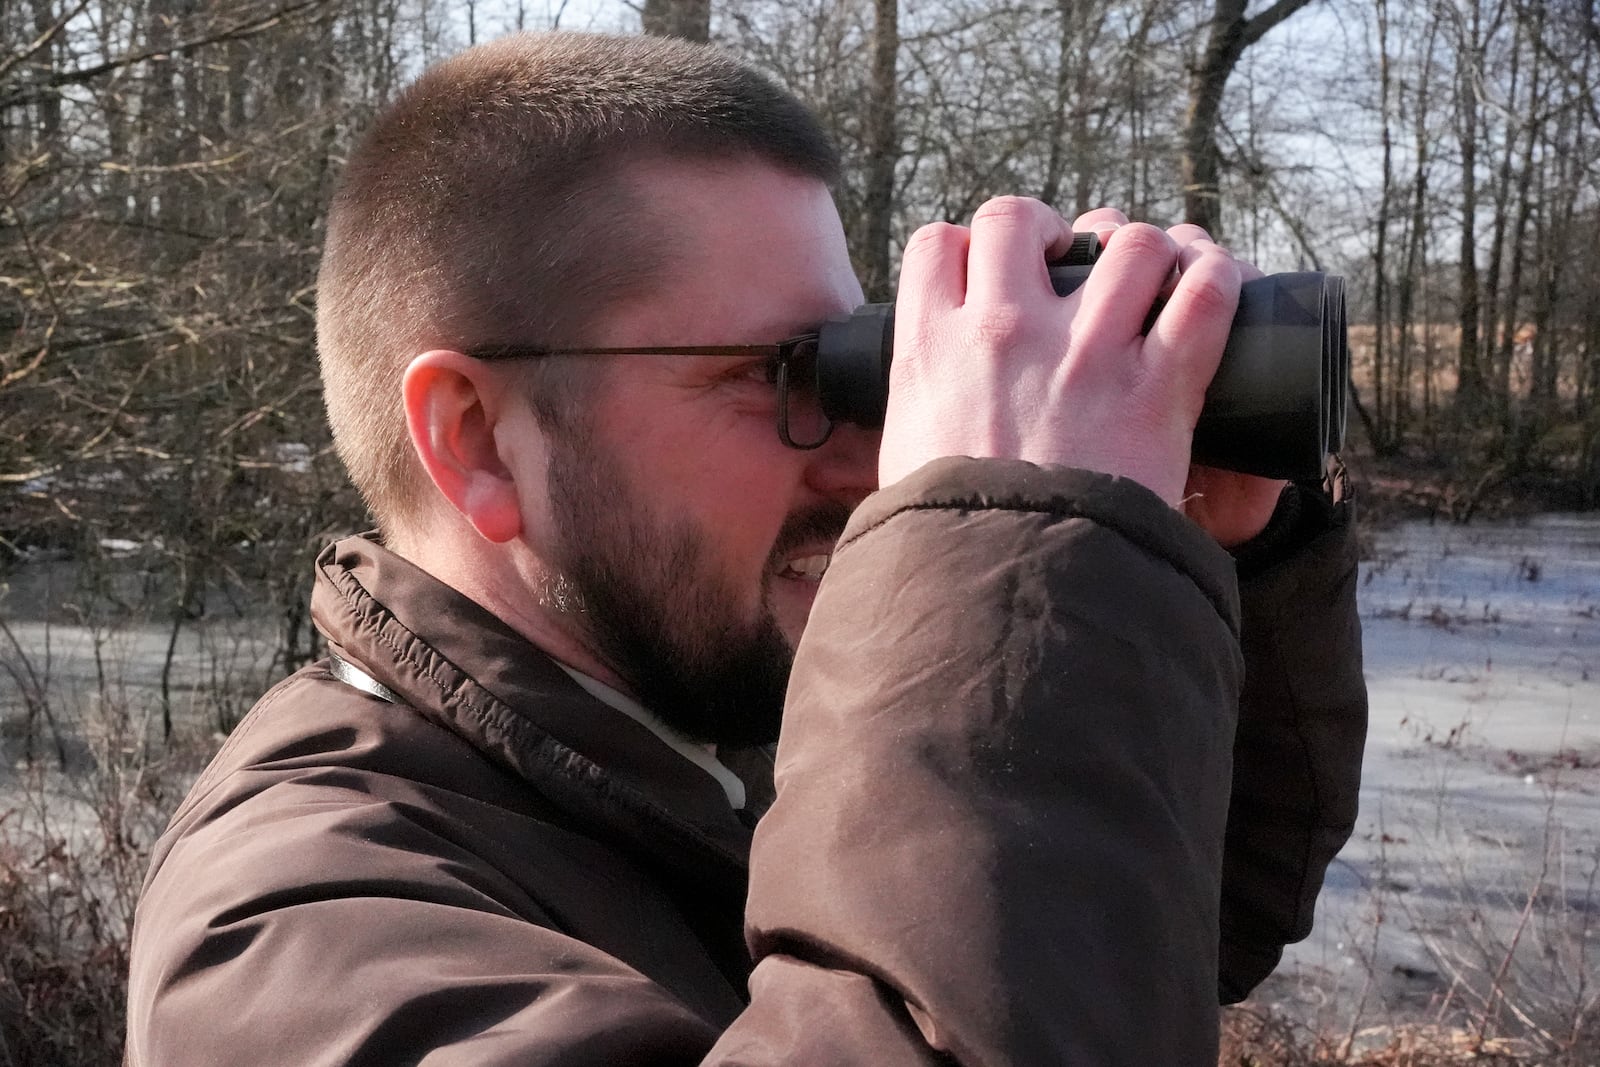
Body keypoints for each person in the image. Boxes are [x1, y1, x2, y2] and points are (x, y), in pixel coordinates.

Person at [125, 30, 1366, 1067]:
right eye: (779, 374)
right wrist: (1023, 555)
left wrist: (1195, 546)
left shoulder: (682, 744)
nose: (862, 453)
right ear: (478, 441)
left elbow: (1137, 933)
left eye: (857, 366)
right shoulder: (286, 937)